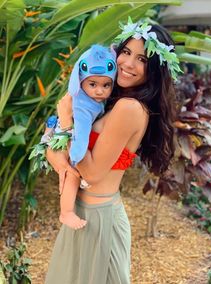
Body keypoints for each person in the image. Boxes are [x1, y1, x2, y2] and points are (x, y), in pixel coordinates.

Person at [45, 18, 180, 284]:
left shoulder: (129, 108)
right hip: (84, 213)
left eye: (141, 59)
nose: (128, 64)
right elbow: (62, 155)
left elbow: (92, 172)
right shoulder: (109, 99)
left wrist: (66, 122)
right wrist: (60, 161)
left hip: (98, 221)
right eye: (126, 52)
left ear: (153, 69)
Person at [34, 44, 117, 230]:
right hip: (61, 139)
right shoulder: (82, 106)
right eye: (93, 84)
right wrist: (78, 158)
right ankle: (66, 213)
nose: (99, 91)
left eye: (106, 85)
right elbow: (80, 135)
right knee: (72, 174)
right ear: (80, 80)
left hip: (63, 132)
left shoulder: (92, 99)